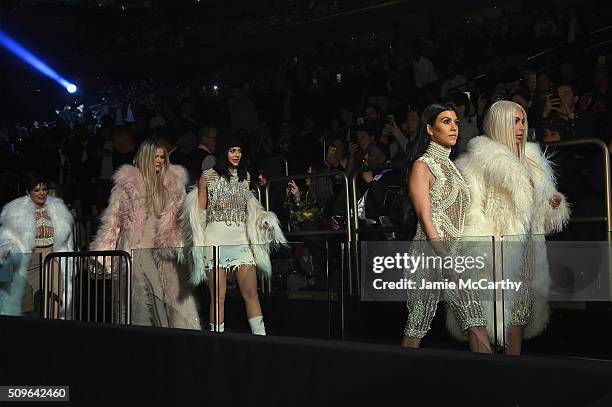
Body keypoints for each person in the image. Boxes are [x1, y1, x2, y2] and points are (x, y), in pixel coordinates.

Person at [451, 100, 570, 355]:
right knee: (482, 313)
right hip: (493, 251)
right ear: (499, 123)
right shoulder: (477, 160)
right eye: (514, 121)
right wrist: (481, 253)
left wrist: (552, 204)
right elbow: (470, 212)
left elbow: (543, 218)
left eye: (523, 120)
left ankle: (512, 372)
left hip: (527, 248)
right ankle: (484, 377)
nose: (521, 127)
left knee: (519, 312)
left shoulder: (533, 161)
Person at [401, 103, 491, 353]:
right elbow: (425, 218)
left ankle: (491, 385)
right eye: (446, 122)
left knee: (476, 322)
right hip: (431, 255)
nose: (454, 127)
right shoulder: (422, 165)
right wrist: (445, 256)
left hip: (455, 255)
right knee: (417, 326)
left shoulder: (453, 167)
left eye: (455, 122)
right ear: (430, 129)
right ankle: (397, 386)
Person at [91, 138, 200, 329]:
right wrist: (102, 255)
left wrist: (187, 246)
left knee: (176, 305)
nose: (159, 160)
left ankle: (176, 346)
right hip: (137, 251)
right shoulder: (127, 185)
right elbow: (113, 222)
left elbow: (183, 220)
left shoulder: (173, 184)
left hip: (166, 252)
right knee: (148, 304)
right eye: (155, 157)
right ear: (144, 157)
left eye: (161, 157)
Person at [182, 137, 286, 335]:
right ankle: (217, 340)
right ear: (224, 152)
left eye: (239, 150)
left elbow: (249, 209)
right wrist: (196, 243)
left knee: (251, 293)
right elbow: (199, 214)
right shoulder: (208, 176)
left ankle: (261, 339)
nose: (236, 154)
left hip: (240, 240)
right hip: (215, 240)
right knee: (218, 297)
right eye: (232, 150)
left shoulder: (245, 176)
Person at [0, 173, 74, 318]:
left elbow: (65, 238)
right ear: (28, 192)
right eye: (36, 190)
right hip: (29, 259)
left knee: (55, 295)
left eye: (44, 189)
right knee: (24, 302)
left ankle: (53, 326)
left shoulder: (58, 210)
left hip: (51, 257)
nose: (41, 193)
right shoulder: (16, 211)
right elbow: (7, 238)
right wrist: (7, 250)